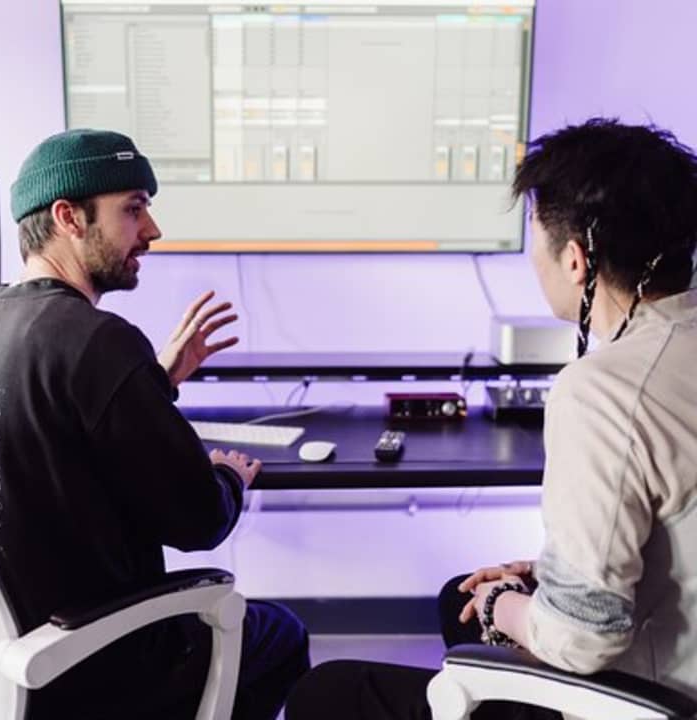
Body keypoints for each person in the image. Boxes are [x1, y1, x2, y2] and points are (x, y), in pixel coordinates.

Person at [284, 117, 697, 719]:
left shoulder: (605, 390)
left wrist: (502, 599)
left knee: (328, 692)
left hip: (651, 699)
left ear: (576, 260)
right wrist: (549, 576)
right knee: (457, 598)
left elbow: (585, 638)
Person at [0, 128, 309, 719]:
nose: (152, 230)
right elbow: (200, 520)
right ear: (68, 217)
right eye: (133, 209)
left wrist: (153, 380)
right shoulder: (97, 341)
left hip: (2, 664)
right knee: (280, 634)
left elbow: (55, 428)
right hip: (100, 662)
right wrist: (229, 478)